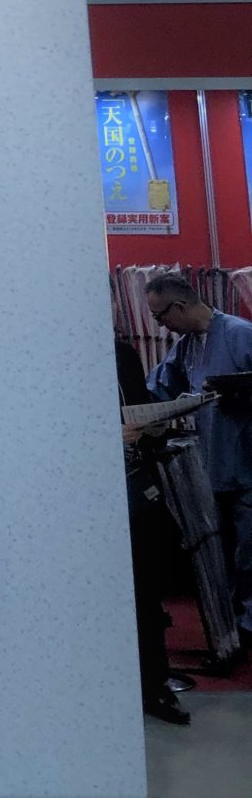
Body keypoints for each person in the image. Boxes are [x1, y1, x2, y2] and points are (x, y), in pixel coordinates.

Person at [147, 272, 252, 654]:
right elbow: (159, 385)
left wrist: (236, 394)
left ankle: (248, 624)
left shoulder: (240, 335)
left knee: (249, 552)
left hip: (245, 464)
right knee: (219, 553)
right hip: (212, 465)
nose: (161, 326)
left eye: (160, 317)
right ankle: (230, 626)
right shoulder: (187, 347)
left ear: (178, 307)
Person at [118, 335, 189, 723]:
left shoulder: (122, 354)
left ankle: (154, 685)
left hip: (136, 489)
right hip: (81, 500)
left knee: (145, 593)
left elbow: (140, 404)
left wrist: (156, 425)